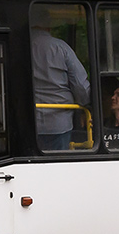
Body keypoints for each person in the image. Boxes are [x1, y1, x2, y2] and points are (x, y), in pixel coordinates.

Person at [31, 15, 91, 151]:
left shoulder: (18, 46)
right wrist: (84, 105)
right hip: (58, 122)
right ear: (48, 26)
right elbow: (80, 85)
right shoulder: (60, 47)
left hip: (27, 122)